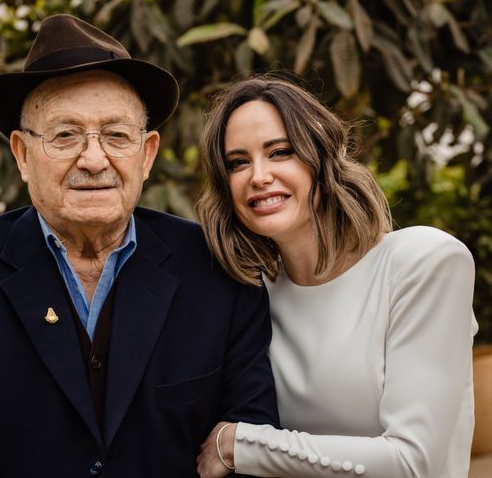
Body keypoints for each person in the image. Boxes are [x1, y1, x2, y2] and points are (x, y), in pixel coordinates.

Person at [0, 15, 279, 477]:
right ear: (22, 155)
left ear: (146, 154)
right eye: (65, 134)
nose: (93, 159)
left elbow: (253, 447)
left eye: (116, 135)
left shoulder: (219, 267)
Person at [195, 76, 477, 478]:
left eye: (280, 152)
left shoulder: (424, 262)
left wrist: (239, 444)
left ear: (322, 158)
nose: (258, 176)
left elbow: (412, 461)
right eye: (238, 163)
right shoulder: (251, 293)